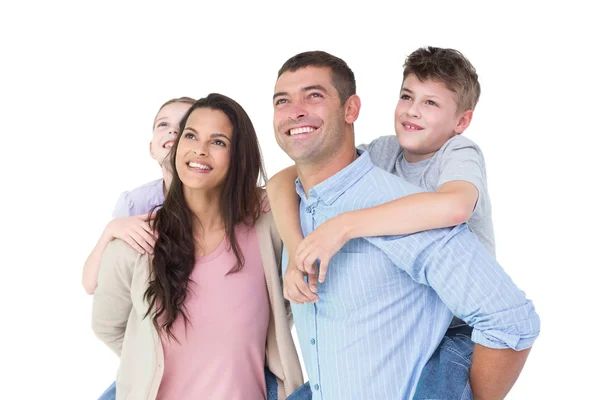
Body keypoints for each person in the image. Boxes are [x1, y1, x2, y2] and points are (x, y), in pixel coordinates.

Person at [268, 50, 540, 399]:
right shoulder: (384, 153)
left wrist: (344, 226)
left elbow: (455, 207)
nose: (413, 110)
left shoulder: (459, 155)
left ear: (461, 121)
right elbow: (286, 179)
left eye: (431, 103)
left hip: (460, 326)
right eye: (407, 97)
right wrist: (296, 250)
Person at [92, 94, 309, 400]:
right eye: (191, 135)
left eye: (218, 142)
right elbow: (108, 327)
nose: (199, 150)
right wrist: (147, 359)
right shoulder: (137, 244)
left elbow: (283, 308)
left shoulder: (267, 227)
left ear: (239, 157)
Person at [82, 97, 195, 295]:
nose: (173, 130)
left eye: (185, 125)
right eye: (163, 124)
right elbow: (91, 284)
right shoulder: (135, 203)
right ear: (151, 149)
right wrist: (111, 230)